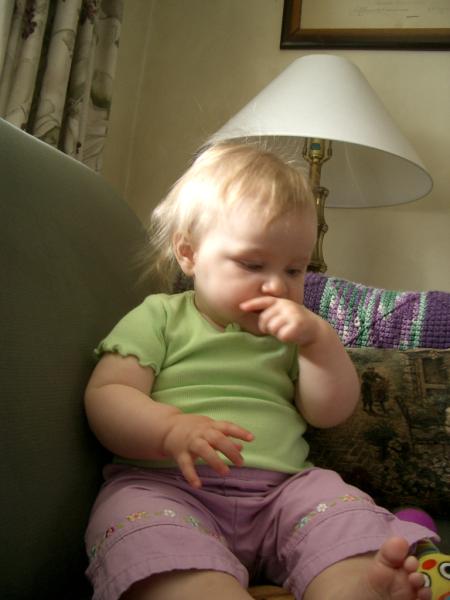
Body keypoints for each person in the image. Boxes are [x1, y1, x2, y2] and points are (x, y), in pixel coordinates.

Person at [84, 143, 436, 600]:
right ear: (189, 254)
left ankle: (357, 585)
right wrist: (169, 429)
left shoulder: (295, 336)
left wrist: (319, 343)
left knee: (339, 514)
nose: (276, 285)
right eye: (252, 264)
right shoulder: (161, 316)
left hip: (283, 492)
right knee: (143, 530)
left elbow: (329, 412)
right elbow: (109, 392)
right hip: (168, 487)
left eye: (294, 270)